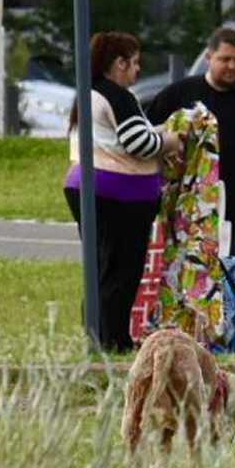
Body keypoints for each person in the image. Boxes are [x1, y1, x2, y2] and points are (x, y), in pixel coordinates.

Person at [63, 31, 181, 351]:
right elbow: (138, 144)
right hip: (118, 195)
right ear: (119, 64)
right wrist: (170, 141)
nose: (138, 71)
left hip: (87, 186)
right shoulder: (118, 96)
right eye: (135, 63)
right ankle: (113, 340)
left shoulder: (89, 94)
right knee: (121, 271)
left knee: (101, 267)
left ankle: (97, 335)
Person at [147, 28, 235, 260]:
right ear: (209, 58)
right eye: (224, 59)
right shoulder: (177, 95)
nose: (232, 66)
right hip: (186, 211)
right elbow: (149, 140)